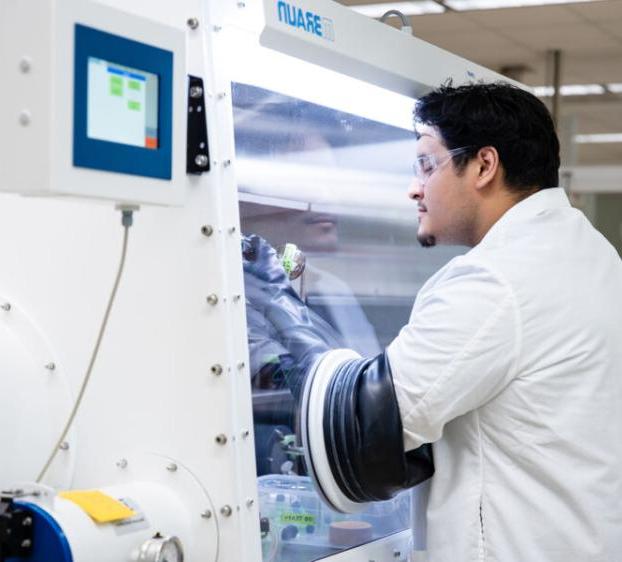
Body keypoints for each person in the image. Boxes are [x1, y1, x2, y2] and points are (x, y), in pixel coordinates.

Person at [243, 82, 622, 562]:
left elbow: (362, 429)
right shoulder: (590, 254)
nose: (414, 187)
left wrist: (280, 303)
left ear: (484, 165)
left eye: (427, 164)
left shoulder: (497, 279)